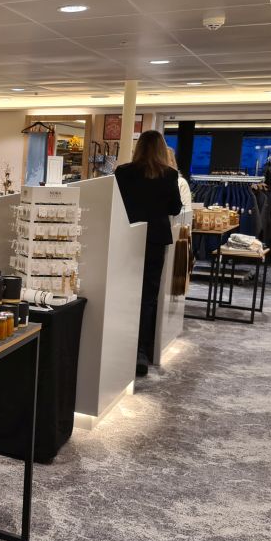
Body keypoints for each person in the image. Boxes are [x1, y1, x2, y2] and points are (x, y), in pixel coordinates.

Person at [115, 131, 183, 376]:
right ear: (161, 149)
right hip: (155, 239)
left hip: (126, 239)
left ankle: (119, 345)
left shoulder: (123, 172)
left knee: (124, 291)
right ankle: (140, 351)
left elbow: (117, 204)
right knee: (148, 295)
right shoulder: (169, 174)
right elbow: (175, 207)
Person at [167, 147, 193, 213]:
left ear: (172, 162)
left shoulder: (181, 182)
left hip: (174, 222)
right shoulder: (149, 182)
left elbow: (186, 210)